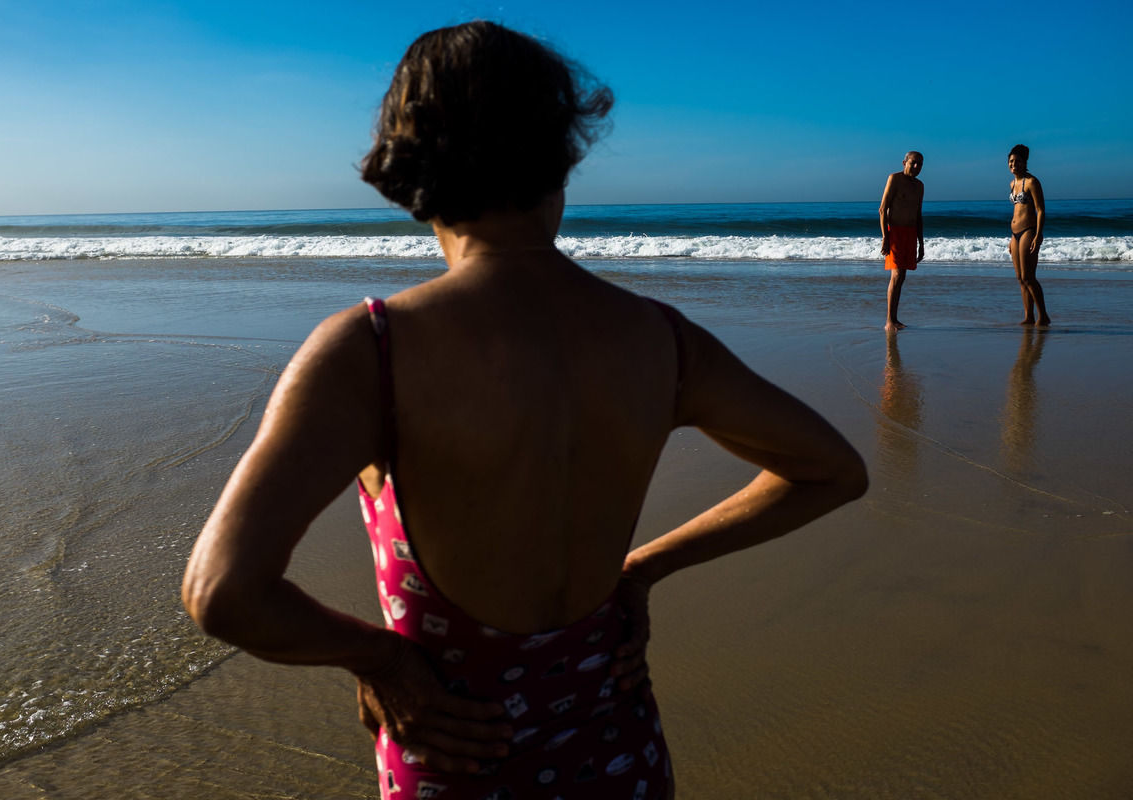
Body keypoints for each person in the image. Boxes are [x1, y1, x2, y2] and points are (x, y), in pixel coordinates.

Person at [182, 21, 868, 800]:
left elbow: (223, 591)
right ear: (563, 150)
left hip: (457, 756)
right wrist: (641, 569)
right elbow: (831, 471)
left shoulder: (374, 352)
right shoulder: (662, 342)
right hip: (619, 751)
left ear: (406, 155)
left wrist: (382, 660)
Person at [879, 151, 925, 332]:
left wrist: (921, 243)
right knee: (896, 276)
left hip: (910, 233)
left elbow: (918, 215)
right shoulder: (894, 179)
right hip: (895, 232)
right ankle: (889, 321)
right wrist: (885, 237)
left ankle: (895, 319)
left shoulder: (920, 186)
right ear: (904, 162)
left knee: (902, 277)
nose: (916, 167)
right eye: (913, 163)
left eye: (920, 164)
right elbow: (883, 209)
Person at [1008, 144, 1050, 325]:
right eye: (1010, 161)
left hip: (1028, 232)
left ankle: (1043, 316)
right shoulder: (1012, 183)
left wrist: (1038, 236)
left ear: (1025, 162)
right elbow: (1016, 211)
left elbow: (1040, 210)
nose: (1013, 164)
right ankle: (1029, 316)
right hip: (1014, 234)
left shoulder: (1032, 182)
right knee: (1019, 278)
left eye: (1017, 161)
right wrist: (1011, 239)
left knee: (1028, 277)